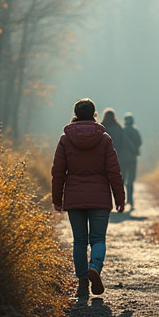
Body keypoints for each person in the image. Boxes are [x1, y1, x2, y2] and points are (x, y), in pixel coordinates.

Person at [52, 98, 125, 297]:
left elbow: (58, 172)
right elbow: (114, 172)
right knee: (98, 238)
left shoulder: (65, 139)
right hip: (100, 197)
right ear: (94, 114)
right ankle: (95, 267)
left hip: (74, 197)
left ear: (75, 114)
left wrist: (57, 199)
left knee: (79, 241)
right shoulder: (104, 139)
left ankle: (82, 282)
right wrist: (120, 198)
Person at [101, 108, 135, 203]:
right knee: (117, 177)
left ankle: (106, 200)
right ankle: (120, 199)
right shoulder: (118, 127)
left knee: (104, 179)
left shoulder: (102, 127)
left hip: (103, 157)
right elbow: (122, 142)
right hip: (116, 155)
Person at [122, 113, 142, 208]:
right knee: (130, 180)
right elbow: (139, 142)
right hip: (132, 159)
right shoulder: (135, 131)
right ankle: (130, 200)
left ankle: (124, 200)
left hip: (122, 159)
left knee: (123, 180)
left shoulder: (122, 131)